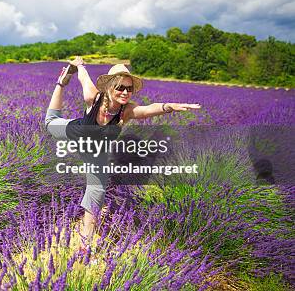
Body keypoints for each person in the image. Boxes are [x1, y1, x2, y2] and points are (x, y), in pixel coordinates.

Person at [44, 57, 201, 253]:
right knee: (50, 122)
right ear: (109, 86)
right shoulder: (93, 98)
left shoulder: (126, 110)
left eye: (129, 88)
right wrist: (78, 66)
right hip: (76, 133)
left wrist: (168, 107)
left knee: (97, 190)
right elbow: (84, 79)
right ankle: (60, 81)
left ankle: (85, 245)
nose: (125, 92)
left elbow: (147, 109)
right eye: (120, 87)